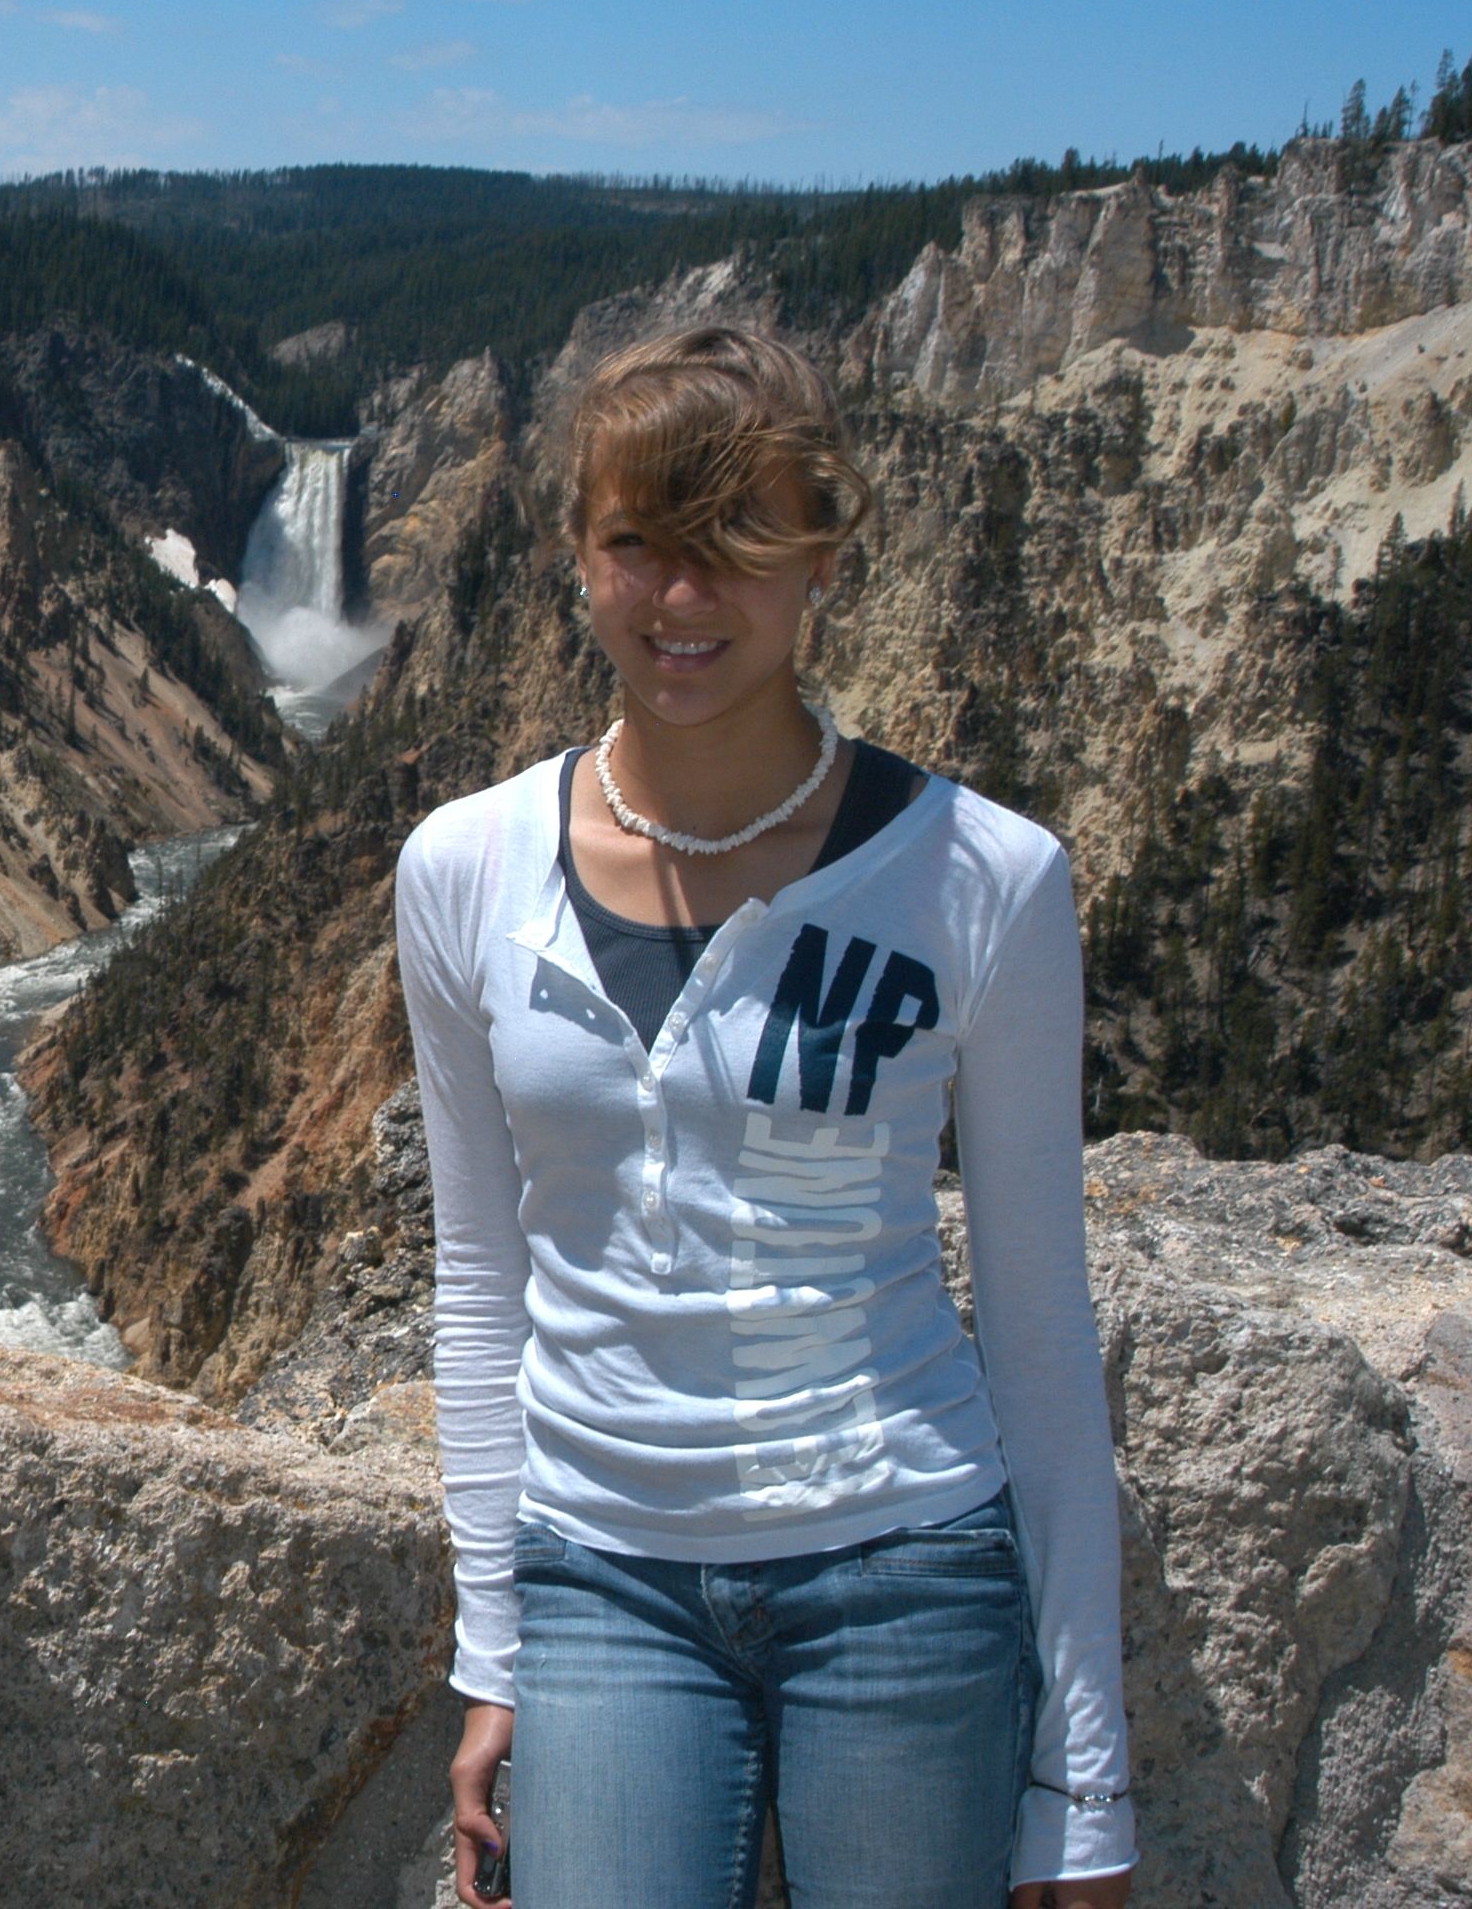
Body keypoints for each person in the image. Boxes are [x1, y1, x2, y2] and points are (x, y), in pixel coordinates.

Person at [395, 325, 1135, 1909]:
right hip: (602, 1580)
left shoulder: (987, 879)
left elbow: (1039, 1327)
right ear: (575, 555)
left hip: (907, 1567)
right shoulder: (463, 868)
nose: (682, 594)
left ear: (823, 558)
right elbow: (481, 1277)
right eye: (638, 541)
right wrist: (492, 1651)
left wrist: (1086, 1778)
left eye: (739, 539)